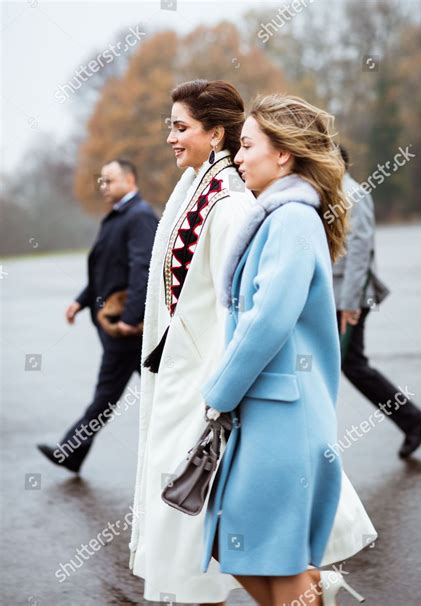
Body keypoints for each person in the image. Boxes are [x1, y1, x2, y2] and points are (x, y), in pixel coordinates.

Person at [199, 95, 377, 606]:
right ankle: (313, 587)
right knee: (235, 544)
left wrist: (218, 392)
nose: (237, 156)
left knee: (271, 555)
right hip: (271, 411)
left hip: (284, 415)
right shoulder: (280, 216)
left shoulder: (292, 218)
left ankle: (310, 589)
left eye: (247, 145)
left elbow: (269, 318)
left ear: (284, 155)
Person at [128, 80, 254, 605]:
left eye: (181, 128)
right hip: (179, 380)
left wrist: (219, 396)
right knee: (186, 519)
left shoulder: (228, 204)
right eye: (171, 127)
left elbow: (239, 311)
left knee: (200, 520)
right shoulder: (197, 190)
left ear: (215, 133)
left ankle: (307, 588)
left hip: (203, 389)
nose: (171, 139)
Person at [37, 159, 158, 473]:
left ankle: (71, 450)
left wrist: (130, 320)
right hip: (121, 327)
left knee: (108, 394)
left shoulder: (139, 217)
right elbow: (106, 271)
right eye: (101, 181)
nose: (103, 186)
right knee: (158, 389)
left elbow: (142, 270)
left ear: (130, 180)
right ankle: (73, 452)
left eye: (110, 180)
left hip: (126, 330)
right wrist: (80, 301)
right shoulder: (120, 217)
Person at [332, 146, 421, 458]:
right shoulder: (333, 193)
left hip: (349, 300)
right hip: (337, 297)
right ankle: (413, 419)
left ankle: (413, 419)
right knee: (346, 365)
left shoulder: (353, 194)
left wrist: (349, 305)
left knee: (351, 365)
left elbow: (360, 254)